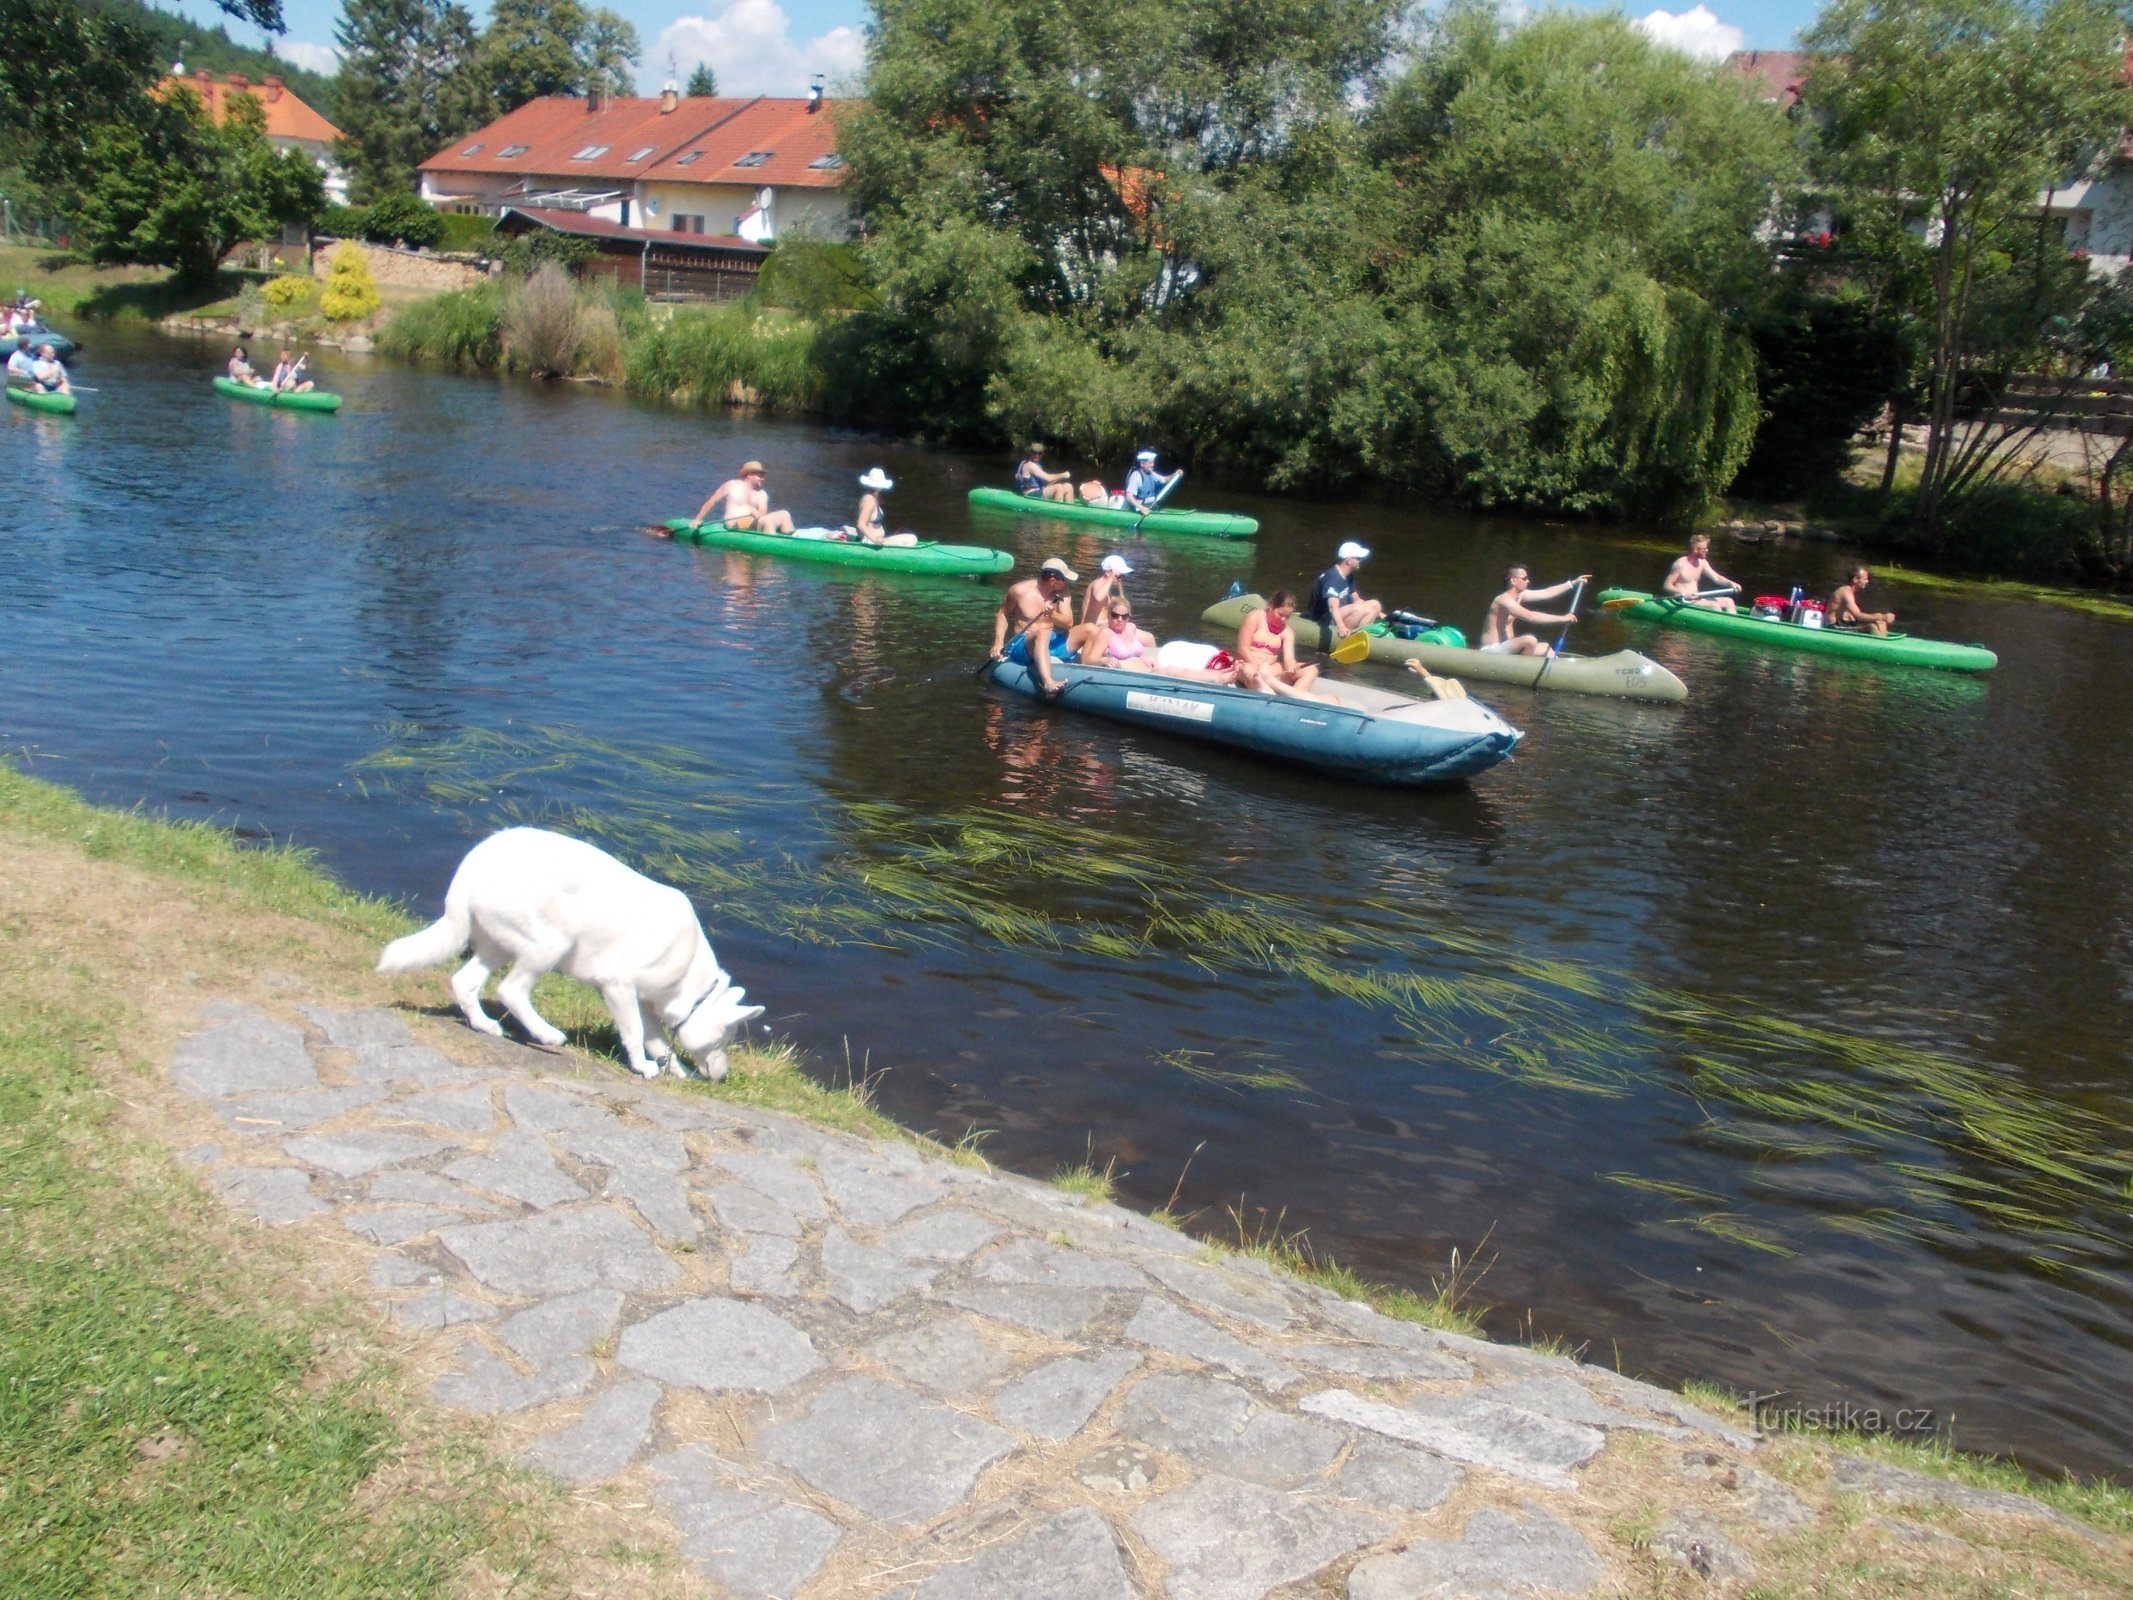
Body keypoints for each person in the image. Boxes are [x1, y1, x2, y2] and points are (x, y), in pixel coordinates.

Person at [989, 556, 1081, 696]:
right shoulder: (1019, 591)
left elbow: (1069, 623)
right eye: (1064, 579)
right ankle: (1048, 683)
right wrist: (998, 642)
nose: (1067, 583)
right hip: (1024, 643)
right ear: (1052, 580)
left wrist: (1052, 615)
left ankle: (1091, 672)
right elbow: (1002, 614)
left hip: (1050, 641)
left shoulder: (1063, 593)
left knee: (1090, 629)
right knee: (1041, 632)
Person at [1471, 565, 1591, 656]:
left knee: (1546, 648)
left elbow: (1547, 593)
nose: (1528, 581)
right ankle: (1521, 670)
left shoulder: (1520, 596)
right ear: (1513, 580)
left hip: (1509, 648)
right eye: (1524, 578)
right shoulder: (1503, 600)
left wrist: (1573, 583)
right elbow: (1531, 616)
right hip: (1492, 650)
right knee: (1529, 640)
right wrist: (1562, 618)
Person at [1235, 590, 1327, 697]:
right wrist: (1258, 667)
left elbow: (1289, 659)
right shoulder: (1254, 617)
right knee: (1247, 671)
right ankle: (1266, 689)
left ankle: (1293, 698)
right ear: (1272, 605)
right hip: (1249, 664)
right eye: (1280, 614)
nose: (1283, 619)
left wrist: (1291, 670)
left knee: (1311, 670)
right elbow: (1243, 649)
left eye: (1287, 617)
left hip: (1271, 668)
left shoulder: (1287, 632)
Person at [690, 461, 795, 533]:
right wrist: (697, 519)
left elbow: (762, 515)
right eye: (760, 475)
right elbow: (711, 502)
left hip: (752, 526)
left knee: (785, 514)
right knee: (768, 521)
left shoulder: (762, 494)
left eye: (762, 475)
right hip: (734, 525)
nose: (762, 479)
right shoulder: (732, 485)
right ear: (749, 475)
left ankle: (791, 539)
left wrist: (752, 510)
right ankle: (773, 544)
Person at [1308, 541, 1384, 640]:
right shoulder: (1333, 579)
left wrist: (1380, 614)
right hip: (1325, 618)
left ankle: (1362, 632)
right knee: (1358, 610)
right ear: (1349, 561)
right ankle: (1352, 636)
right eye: (1358, 558)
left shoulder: (1348, 575)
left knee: (1375, 604)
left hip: (1342, 611)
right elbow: (1332, 606)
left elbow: (1357, 599)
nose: (1360, 560)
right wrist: (1341, 626)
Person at [1664, 534, 1739, 612]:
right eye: (1704, 548)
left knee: (1729, 601)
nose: (1707, 550)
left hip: (1696, 598)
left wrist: (1731, 583)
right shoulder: (1680, 564)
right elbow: (1667, 585)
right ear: (1695, 549)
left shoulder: (1702, 562)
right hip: (1684, 600)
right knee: (1714, 605)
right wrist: (1681, 592)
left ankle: (1732, 623)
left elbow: (1717, 578)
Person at [1080, 597, 1159, 669]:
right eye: (1115, 615)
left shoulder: (1131, 627)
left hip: (1144, 669)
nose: (1120, 620)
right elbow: (1090, 660)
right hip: (1126, 673)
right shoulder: (1106, 633)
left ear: (1128, 618)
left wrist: (1146, 659)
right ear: (1108, 615)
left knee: (1170, 670)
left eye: (1124, 616)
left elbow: (1139, 653)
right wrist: (1104, 660)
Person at [1829, 565, 1896, 635]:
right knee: (1872, 626)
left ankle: (1884, 642)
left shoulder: (1852, 593)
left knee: (1881, 622)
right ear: (1855, 579)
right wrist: (1883, 617)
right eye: (1864, 579)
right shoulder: (1845, 591)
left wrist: (1881, 618)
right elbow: (1858, 616)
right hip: (1836, 627)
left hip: (1848, 624)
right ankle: (1882, 644)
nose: (1867, 581)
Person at [1081, 553, 1133, 627]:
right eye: (1118, 576)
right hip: (1092, 628)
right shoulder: (1097, 583)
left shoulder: (1108, 588)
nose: (1120, 579)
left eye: (1122, 576)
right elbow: (1098, 598)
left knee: (1131, 627)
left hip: (1102, 627)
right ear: (1108, 572)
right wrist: (1111, 578)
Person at [1122, 449, 1178, 514]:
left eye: (1153, 462)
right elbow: (1129, 496)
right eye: (1150, 463)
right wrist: (1142, 508)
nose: (1152, 465)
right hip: (1139, 509)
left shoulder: (1151, 473)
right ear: (1142, 464)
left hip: (1151, 506)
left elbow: (1165, 480)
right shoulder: (1136, 476)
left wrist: (1175, 474)